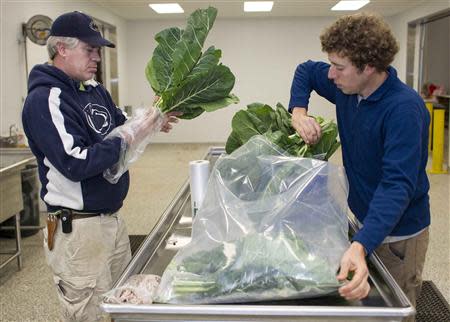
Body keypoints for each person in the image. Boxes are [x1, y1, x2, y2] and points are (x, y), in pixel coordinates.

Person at [22, 11, 179, 322]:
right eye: (89, 50)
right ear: (61, 49)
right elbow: (75, 162)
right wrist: (129, 136)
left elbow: (123, 127)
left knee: (124, 307)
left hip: (112, 222)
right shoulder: (45, 99)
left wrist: (150, 122)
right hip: (78, 231)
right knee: (90, 314)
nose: (97, 57)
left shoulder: (95, 90)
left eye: (98, 51)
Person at [289, 12, 430, 318]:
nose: (330, 75)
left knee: (395, 310)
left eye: (339, 68)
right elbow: (306, 71)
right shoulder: (347, 90)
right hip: (365, 220)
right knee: (366, 305)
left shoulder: (404, 110)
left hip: (399, 236)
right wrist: (298, 112)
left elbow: (396, 187)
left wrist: (360, 245)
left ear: (368, 68)